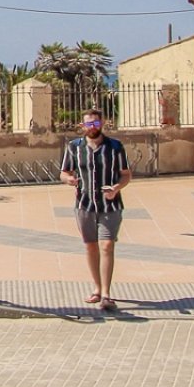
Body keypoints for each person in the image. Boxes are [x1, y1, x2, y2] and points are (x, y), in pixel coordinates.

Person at [60, 110, 132, 312]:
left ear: (103, 123)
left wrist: (116, 188)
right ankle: (97, 288)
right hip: (84, 204)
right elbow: (64, 172)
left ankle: (107, 294)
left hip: (110, 205)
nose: (92, 127)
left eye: (96, 122)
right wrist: (69, 180)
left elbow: (126, 175)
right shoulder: (74, 147)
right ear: (83, 126)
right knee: (91, 246)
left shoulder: (115, 147)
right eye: (88, 124)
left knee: (107, 245)